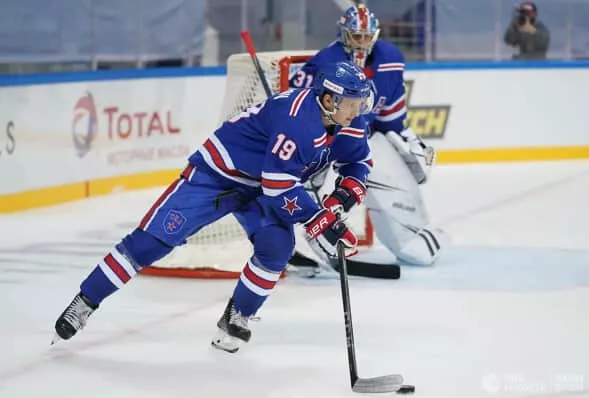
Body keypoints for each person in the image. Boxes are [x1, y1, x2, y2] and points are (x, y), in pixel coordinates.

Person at [53, 61, 374, 353]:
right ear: (329, 100)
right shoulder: (298, 121)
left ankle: (237, 315)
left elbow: (359, 161)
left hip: (262, 185)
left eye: (360, 102)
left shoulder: (348, 122)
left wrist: (343, 196)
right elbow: (278, 185)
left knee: (276, 248)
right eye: (352, 102)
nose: (357, 109)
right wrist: (318, 219)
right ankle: (86, 300)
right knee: (150, 243)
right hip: (217, 175)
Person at [289, 4, 445, 268]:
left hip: (363, 135)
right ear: (343, 34)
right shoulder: (325, 61)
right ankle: (291, 242)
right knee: (299, 184)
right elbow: (297, 101)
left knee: (391, 180)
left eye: (366, 36)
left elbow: (390, 115)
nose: (362, 43)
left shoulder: (390, 59)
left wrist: (405, 141)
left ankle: (411, 236)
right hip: (324, 134)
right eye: (356, 36)